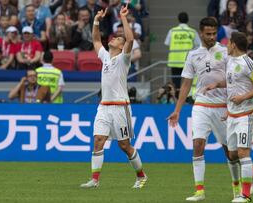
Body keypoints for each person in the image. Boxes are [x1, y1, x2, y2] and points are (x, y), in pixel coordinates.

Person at [168, 17, 241, 202]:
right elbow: (185, 84)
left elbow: (235, 78)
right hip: (200, 105)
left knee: (230, 152)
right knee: (197, 145)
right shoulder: (193, 55)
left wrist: (233, 103)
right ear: (200, 33)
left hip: (222, 106)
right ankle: (199, 191)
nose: (211, 37)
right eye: (207, 33)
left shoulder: (225, 52)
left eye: (213, 33)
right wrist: (177, 110)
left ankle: (237, 188)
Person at [80, 5, 148, 189]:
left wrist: (123, 17)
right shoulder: (106, 57)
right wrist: (96, 21)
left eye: (118, 38)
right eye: (116, 36)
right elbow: (95, 39)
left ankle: (141, 176)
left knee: (124, 146)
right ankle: (94, 180)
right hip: (104, 106)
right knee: (98, 141)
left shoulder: (123, 59)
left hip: (120, 106)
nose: (114, 38)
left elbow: (131, 39)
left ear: (120, 45)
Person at [204, 31, 253, 202]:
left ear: (234, 44)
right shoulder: (231, 60)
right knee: (232, 155)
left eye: (228, 43)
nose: (226, 45)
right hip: (232, 115)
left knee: (243, 153)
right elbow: (234, 81)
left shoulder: (249, 64)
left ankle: (245, 195)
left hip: (246, 115)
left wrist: (243, 98)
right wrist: (217, 84)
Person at [164, 12, 200, 88]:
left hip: (174, 61)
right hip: (187, 61)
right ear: (187, 20)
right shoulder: (192, 32)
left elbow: (167, 43)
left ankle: (176, 98)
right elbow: (198, 45)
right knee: (186, 83)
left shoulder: (173, 31)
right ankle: (185, 99)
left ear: (178, 20)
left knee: (175, 84)